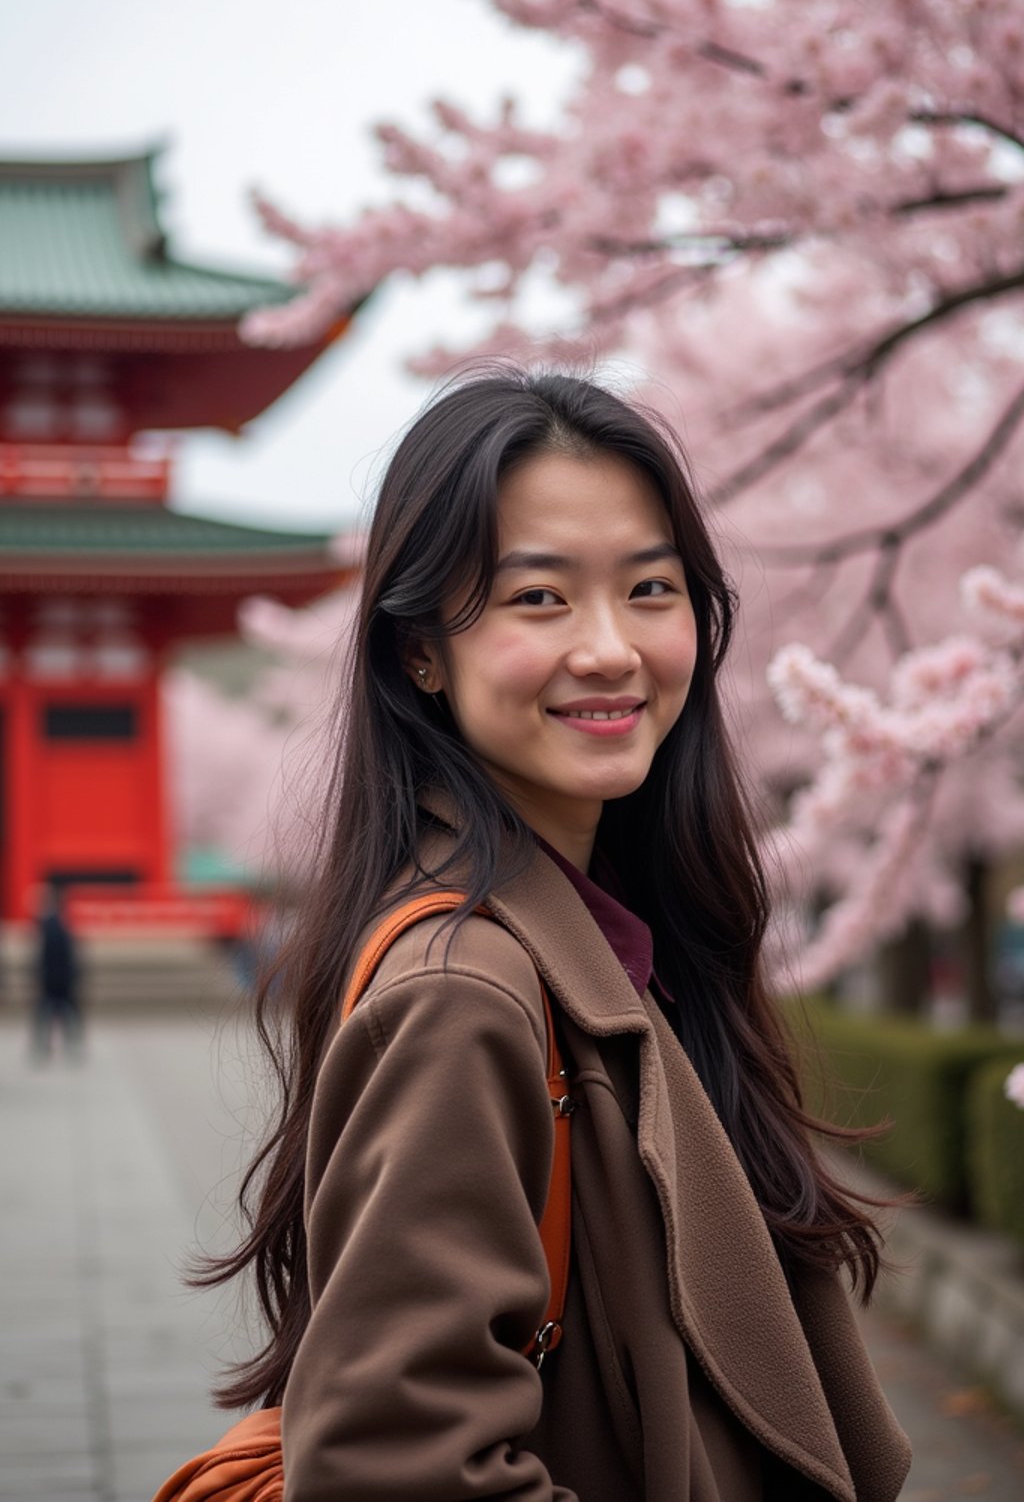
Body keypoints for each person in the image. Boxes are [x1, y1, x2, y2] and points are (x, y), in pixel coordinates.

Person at [198, 370, 912, 1500]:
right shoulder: (465, 992)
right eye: (539, 599)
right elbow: (398, 1465)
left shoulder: (614, 933)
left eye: (649, 588)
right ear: (418, 652)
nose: (611, 649)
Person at [32, 881, 83, 1061]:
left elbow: (46, 956)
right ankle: (68, 1047)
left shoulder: (51, 925)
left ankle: (47, 1048)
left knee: (50, 1016)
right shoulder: (60, 923)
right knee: (64, 1016)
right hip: (61, 980)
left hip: (55, 980)